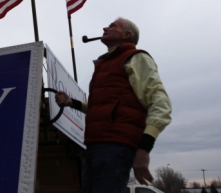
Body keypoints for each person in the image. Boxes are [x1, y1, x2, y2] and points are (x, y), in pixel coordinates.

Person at [55, 17, 172, 193]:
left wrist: (144, 148)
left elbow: (161, 103)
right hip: (95, 146)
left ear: (127, 35)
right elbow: (102, 108)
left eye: (112, 25)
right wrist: (73, 103)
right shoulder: (105, 65)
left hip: (117, 147)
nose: (105, 27)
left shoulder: (136, 58)